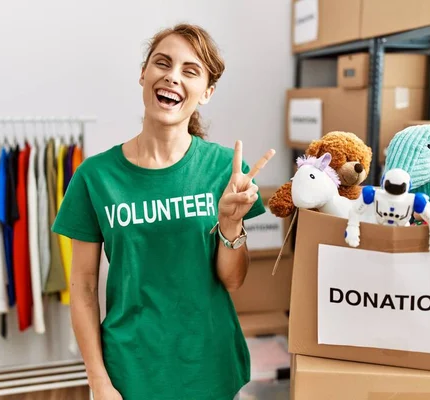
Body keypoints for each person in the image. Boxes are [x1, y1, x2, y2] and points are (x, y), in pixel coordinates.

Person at [51, 23, 276, 400]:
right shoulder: (95, 177)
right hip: (129, 371)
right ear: (144, 74)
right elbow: (84, 287)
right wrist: (98, 381)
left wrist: (231, 224)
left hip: (210, 367)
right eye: (163, 63)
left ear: (206, 92)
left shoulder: (225, 169)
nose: (173, 77)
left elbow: (233, 281)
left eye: (190, 71)